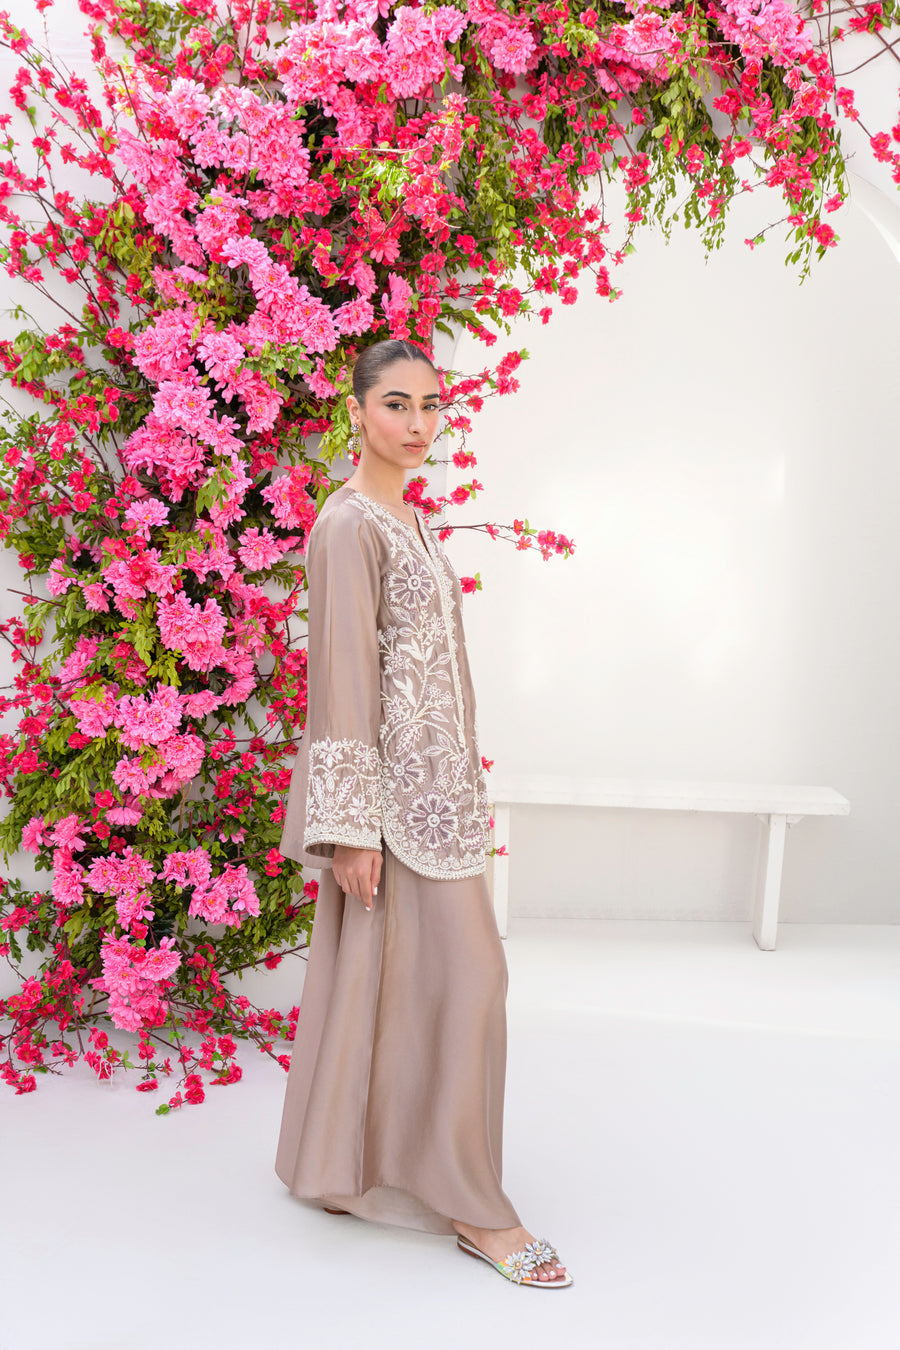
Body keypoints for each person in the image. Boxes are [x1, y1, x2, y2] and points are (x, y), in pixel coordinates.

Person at [274, 338, 571, 1289]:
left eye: (431, 405)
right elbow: (341, 678)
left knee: (411, 983)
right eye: (396, 404)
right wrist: (350, 829)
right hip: (387, 805)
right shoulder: (347, 525)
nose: (416, 424)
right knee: (471, 977)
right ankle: (476, 1209)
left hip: (439, 796)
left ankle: (343, 1166)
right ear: (357, 411)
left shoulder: (410, 519)